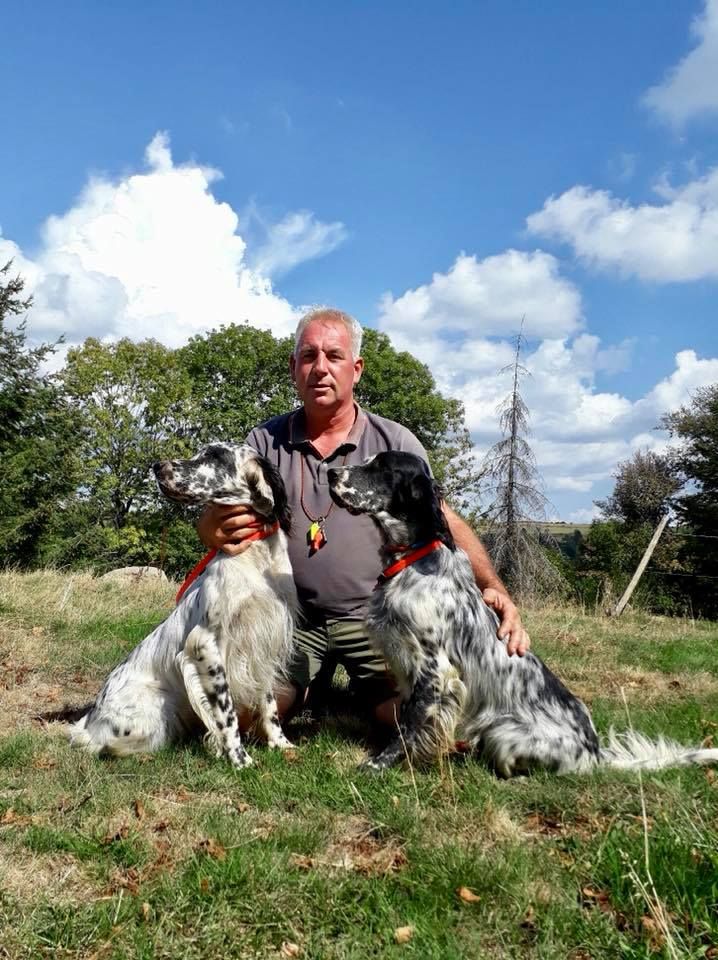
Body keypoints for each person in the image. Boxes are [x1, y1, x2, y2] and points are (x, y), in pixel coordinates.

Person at [197, 307, 530, 726]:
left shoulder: (396, 442)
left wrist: (495, 588)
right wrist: (209, 527)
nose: (320, 368)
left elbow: (441, 519)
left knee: (422, 717)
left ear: (356, 369)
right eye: (308, 356)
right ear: (293, 368)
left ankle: (362, 697)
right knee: (249, 718)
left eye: (334, 357)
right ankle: (306, 691)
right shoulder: (263, 442)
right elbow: (221, 514)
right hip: (293, 617)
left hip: (378, 615)